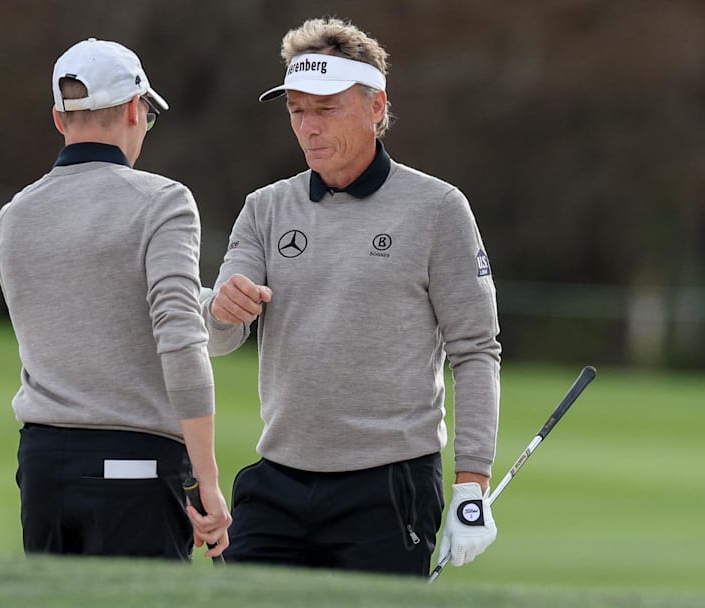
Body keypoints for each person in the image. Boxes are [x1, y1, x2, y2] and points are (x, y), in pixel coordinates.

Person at [203, 18, 501, 576]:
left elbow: (475, 349)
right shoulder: (264, 208)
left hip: (388, 486)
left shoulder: (438, 209)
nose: (308, 128)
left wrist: (472, 483)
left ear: (375, 107)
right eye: (297, 110)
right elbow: (221, 337)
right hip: (278, 479)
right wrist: (220, 310)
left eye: (326, 108)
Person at [0, 38, 230, 560]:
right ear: (132, 110)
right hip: (136, 464)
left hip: (40, 465)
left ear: (60, 119)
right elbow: (179, 338)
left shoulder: (14, 215)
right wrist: (207, 480)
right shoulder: (163, 202)